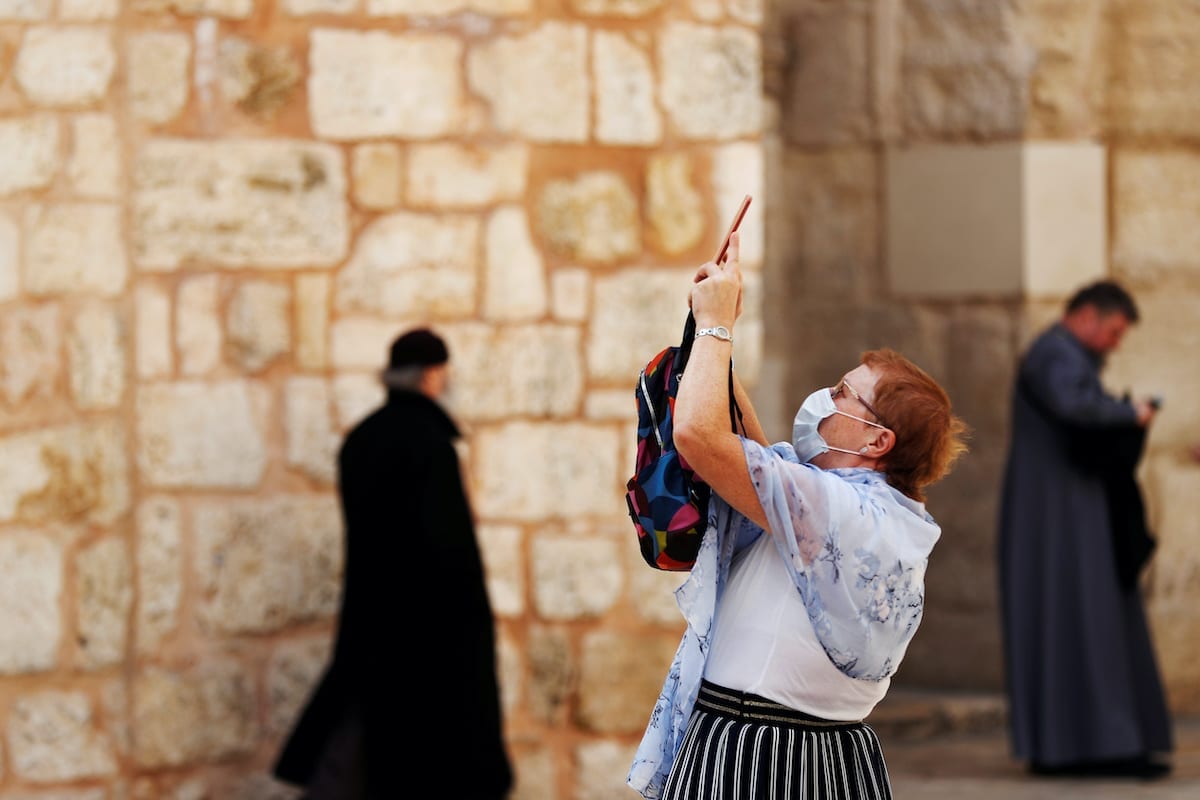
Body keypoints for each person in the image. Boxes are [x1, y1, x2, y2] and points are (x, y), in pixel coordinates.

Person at [627, 233, 968, 800]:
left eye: (844, 393)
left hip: (759, 756)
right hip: (815, 753)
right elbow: (752, 457)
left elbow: (700, 438)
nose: (825, 397)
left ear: (878, 440)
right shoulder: (867, 510)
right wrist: (716, 322)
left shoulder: (839, 509)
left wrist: (717, 329)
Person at [274, 328, 513, 799]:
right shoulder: (432, 446)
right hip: (430, 643)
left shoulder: (360, 441)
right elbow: (450, 557)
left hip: (371, 628)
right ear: (431, 376)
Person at [997, 280, 1172, 779]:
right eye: (1114, 332)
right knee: (1077, 621)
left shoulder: (1063, 355)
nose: (1116, 344)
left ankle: (1096, 744)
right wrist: (1129, 412)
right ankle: (1083, 748)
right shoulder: (1055, 354)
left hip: (1074, 512)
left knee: (1091, 623)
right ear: (1090, 316)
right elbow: (1072, 406)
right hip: (1059, 515)